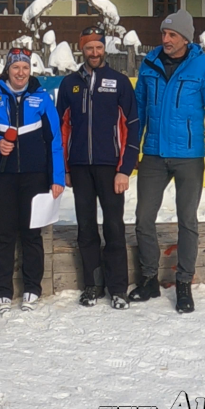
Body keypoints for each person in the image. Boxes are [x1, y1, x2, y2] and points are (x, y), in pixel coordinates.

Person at [132, 10, 205, 313]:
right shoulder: (149, 63)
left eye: (172, 35)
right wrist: (131, 149)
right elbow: (137, 110)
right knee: (143, 218)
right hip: (154, 153)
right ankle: (149, 278)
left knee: (187, 220)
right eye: (164, 34)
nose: (166, 39)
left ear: (186, 38)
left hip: (188, 156)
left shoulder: (203, 66)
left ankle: (184, 282)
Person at [0, 48, 65, 314]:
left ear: (30, 71)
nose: (21, 73)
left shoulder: (42, 99)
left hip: (35, 177)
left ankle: (32, 288)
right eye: (16, 68)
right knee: (4, 235)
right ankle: (2, 292)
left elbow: (55, 141)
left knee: (32, 235)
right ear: (8, 70)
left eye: (25, 67)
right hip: (2, 177)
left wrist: (57, 177)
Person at [57, 25, 139, 309]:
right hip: (80, 167)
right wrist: (65, 168)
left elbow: (132, 127)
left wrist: (124, 169)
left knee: (114, 227)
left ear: (105, 49)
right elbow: (61, 129)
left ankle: (118, 289)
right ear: (82, 49)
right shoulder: (69, 84)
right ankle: (92, 285)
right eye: (89, 47)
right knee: (86, 227)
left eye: (99, 47)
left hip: (110, 167)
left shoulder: (119, 82)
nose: (94, 52)